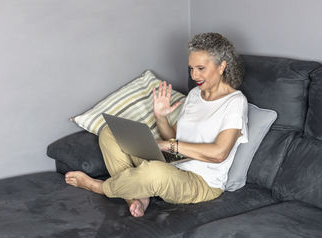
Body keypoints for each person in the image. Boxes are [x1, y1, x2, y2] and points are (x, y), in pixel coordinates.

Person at [65, 32, 248, 217]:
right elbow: (174, 137)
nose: (194, 75)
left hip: (202, 182)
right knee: (110, 133)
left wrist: (169, 146)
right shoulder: (195, 95)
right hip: (173, 162)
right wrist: (160, 117)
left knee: (154, 172)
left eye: (201, 68)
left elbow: (219, 154)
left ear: (222, 66)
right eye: (191, 68)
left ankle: (100, 187)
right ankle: (137, 196)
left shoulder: (235, 102)